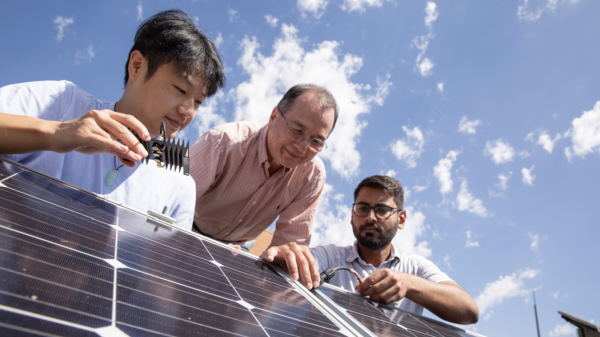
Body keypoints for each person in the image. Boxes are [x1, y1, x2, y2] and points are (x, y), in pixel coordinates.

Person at [0, 10, 225, 230]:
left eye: (198, 102)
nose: (188, 111)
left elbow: (167, 264)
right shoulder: (62, 103)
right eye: (180, 89)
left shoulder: (180, 185)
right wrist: (55, 132)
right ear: (137, 66)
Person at [262, 175, 479, 324]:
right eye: (363, 208)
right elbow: (304, 261)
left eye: (382, 209)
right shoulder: (330, 256)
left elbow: (469, 311)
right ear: (352, 214)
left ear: (401, 218)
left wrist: (409, 283)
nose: (370, 217)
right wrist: (286, 257)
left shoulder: (416, 267)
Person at [189, 84, 337, 252]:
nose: (303, 147)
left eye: (316, 141)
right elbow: (171, 202)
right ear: (273, 117)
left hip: (239, 248)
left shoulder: (312, 175)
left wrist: (278, 259)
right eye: (297, 130)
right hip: (187, 226)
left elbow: (289, 245)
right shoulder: (223, 142)